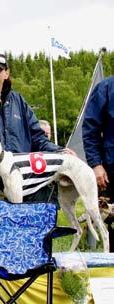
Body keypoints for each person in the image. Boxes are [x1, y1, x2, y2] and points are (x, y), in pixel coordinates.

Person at [0, 53, 69, 222]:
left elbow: (38, 137)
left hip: (21, 184)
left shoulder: (19, 102)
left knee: (20, 236)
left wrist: (60, 151)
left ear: (6, 73)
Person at [82, 76, 114, 252]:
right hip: (110, 170)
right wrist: (95, 164)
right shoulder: (105, 88)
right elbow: (90, 128)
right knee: (109, 224)